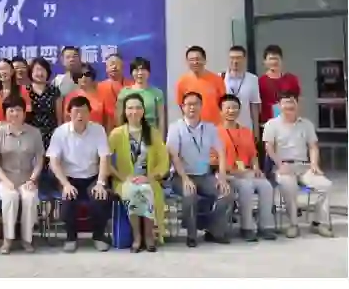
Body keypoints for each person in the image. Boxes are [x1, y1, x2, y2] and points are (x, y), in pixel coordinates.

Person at [167, 92, 234, 247]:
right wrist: (185, 179)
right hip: (180, 176)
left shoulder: (210, 128)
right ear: (182, 107)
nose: (192, 107)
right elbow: (173, 155)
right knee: (190, 194)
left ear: (201, 106)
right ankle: (191, 235)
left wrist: (222, 177)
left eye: (195, 104)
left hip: (204, 175)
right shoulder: (175, 128)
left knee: (227, 193)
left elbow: (221, 152)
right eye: (188, 104)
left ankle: (214, 230)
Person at [263, 92, 333, 238]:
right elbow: (269, 148)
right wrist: (280, 164)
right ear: (279, 105)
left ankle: (319, 223)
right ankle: (293, 224)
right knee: (289, 186)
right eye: (285, 102)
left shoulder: (307, 124)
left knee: (325, 185)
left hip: (304, 167)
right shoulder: (271, 124)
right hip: (283, 167)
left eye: (292, 102)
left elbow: (313, 146)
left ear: (297, 104)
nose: (289, 106)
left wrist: (314, 164)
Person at [47, 96, 113, 253]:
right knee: (68, 200)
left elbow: (104, 158)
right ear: (69, 113)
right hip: (69, 178)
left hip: (92, 177)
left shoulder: (98, 130)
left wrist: (100, 183)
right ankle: (71, 238)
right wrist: (65, 184)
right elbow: (54, 162)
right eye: (76, 112)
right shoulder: (60, 132)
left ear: (90, 113)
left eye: (84, 111)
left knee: (101, 198)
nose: (80, 115)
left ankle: (98, 236)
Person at [108, 94, 169, 251]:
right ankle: (137, 236)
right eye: (130, 108)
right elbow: (105, 161)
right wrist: (122, 177)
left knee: (146, 190)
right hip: (124, 180)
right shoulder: (117, 133)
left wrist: (149, 177)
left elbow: (164, 161)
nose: (134, 112)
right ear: (125, 111)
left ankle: (149, 236)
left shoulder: (153, 133)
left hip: (148, 179)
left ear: (143, 111)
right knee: (133, 191)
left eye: (137, 108)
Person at [0, 96, 44, 254]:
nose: (15, 113)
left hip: (28, 178)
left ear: (24, 113)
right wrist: (6, 181)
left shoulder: (34, 133)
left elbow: (39, 160)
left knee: (30, 197)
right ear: (5, 113)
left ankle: (27, 239)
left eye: (18, 110)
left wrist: (32, 179)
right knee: (10, 197)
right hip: (5, 178)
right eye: (11, 110)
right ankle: (8, 239)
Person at [218, 94, 276, 241]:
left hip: (247, 171)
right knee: (246, 187)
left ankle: (265, 226)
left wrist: (256, 168)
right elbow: (213, 159)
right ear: (221, 111)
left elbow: (253, 154)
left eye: (235, 107)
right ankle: (247, 226)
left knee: (266, 186)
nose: (231, 111)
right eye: (228, 108)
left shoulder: (246, 131)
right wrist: (234, 171)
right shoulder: (215, 132)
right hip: (227, 173)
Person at [175, 46, 227, 125]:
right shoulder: (182, 82)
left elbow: (224, 104)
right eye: (191, 60)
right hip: (193, 126)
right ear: (187, 62)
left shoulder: (217, 80)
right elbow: (181, 105)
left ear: (204, 60)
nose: (195, 62)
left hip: (214, 126)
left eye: (198, 59)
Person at [116, 57, 166, 134]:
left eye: (143, 69)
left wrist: (160, 138)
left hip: (151, 134)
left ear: (148, 72)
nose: (140, 73)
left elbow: (161, 119)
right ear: (132, 73)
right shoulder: (124, 93)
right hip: (129, 134)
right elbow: (119, 117)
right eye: (136, 70)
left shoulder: (157, 93)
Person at [222, 46, 261, 137]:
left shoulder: (252, 79)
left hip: (246, 127)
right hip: (225, 129)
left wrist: (256, 130)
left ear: (244, 59)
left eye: (238, 58)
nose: (235, 61)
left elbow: (254, 106)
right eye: (232, 58)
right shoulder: (220, 78)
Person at [258, 45, 301, 125]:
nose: (274, 62)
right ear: (265, 62)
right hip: (268, 123)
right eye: (271, 59)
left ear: (281, 60)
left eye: (276, 59)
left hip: (289, 122)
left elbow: (298, 101)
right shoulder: (259, 82)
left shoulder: (292, 79)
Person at [26, 57, 61, 152]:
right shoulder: (25, 90)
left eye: (43, 70)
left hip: (51, 135)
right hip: (30, 136)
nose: (40, 73)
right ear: (31, 72)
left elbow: (59, 117)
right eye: (37, 70)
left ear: (47, 72)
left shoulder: (54, 90)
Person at [64, 63, 114, 131]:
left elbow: (109, 119)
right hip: (76, 134)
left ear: (92, 76)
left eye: (87, 74)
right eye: (80, 75)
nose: (84, 78)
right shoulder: (71, 96)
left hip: (98, 133)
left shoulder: (104, 94)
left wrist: (107, 135)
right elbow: (67, 119)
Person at [0, 58, 31, 129]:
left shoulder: (23, 91)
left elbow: (28, 115)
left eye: (5, 69)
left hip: (19, 132)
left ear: (12, 71)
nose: (2, 72)